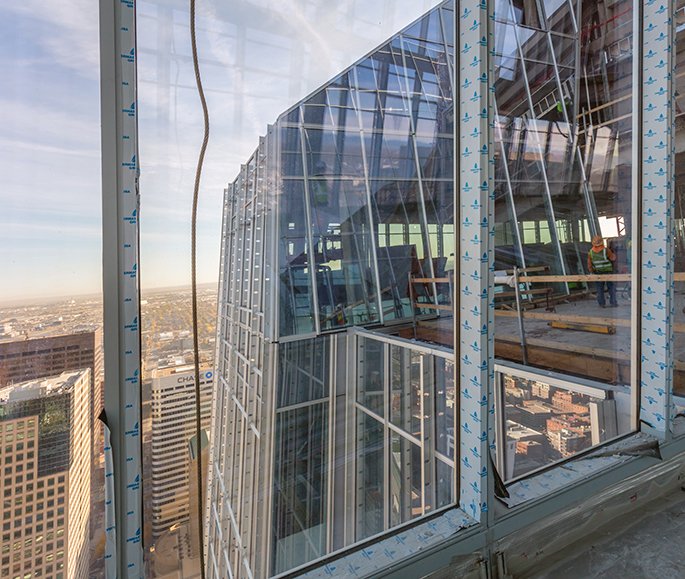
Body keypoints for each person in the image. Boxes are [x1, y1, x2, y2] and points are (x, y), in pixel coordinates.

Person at [588, 235, 617, 308]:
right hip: (608, 272)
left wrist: (591, 271)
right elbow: (613, 258)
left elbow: (589, 264)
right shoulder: (606, 250)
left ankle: (601, 304)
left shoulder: (591, 252)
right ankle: (613, 303)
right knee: (611, 287)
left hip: (598, 272)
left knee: (599, 288)